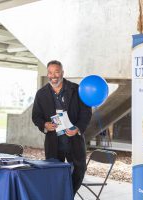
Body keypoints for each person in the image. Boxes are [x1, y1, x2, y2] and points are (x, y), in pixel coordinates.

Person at [32, 60, 92, 195]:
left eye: (57, 72)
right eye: (50, 72)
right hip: (54, 143)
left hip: (74, 141)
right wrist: (44, 125)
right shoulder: (41, 94)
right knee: (53, 175)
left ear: (62, 73)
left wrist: (78, 128)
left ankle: (69, 195)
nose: (54, 76)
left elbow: (86, 113)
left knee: (78, 172)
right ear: (47, 74)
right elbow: (36, 116)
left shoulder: (77, 90)